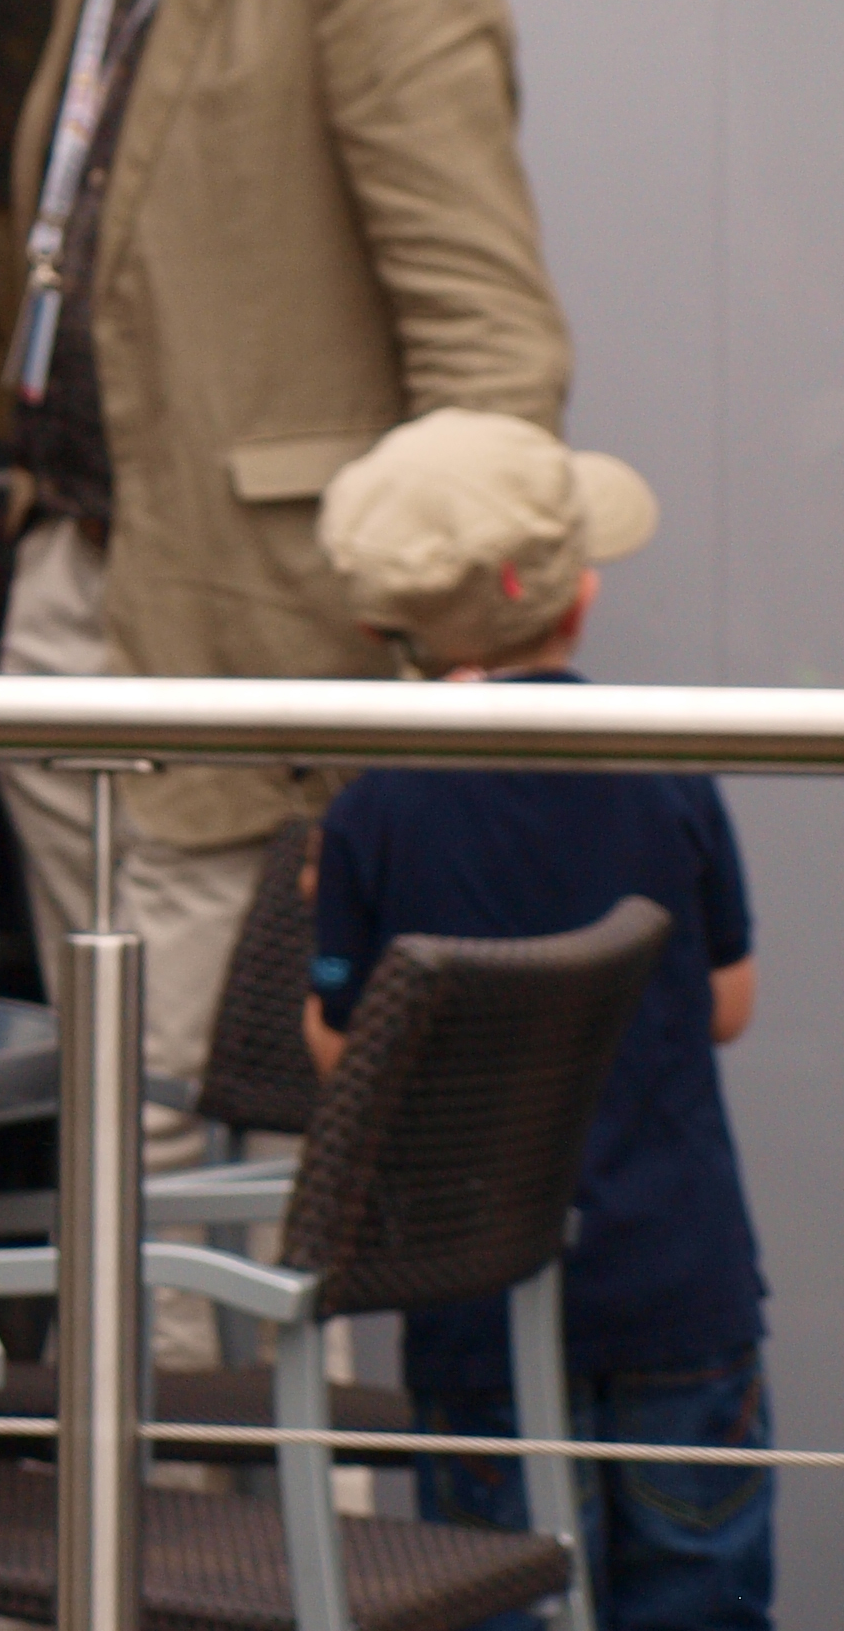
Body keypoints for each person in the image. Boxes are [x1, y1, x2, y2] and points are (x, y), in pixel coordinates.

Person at [0, 0, 573, 1210]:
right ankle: (146, 1393)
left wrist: (467, 634)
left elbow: (487, 328)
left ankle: (208, 1405)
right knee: (123, 1103)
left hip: (267, 625)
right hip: (83, 575)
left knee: (214, 1134)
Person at [309, 411, 770, 1630]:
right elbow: (728, 1004)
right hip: (680, 1277)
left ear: (384, 629)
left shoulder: (373, 810)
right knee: (701, 1597)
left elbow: (344, 1048)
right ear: (574, 595)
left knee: (498, 1600)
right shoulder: (666, 762)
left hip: (476, 1291)